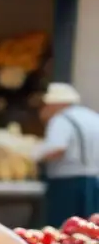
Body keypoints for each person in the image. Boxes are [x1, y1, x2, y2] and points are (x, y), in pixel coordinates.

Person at [35, 82, 99, 227]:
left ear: (55, 104)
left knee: (63, 229)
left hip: (67, 184)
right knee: (90, 229)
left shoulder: (61, 119)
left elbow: (57, 148)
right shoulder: (93, 117)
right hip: (94, 182)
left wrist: (35, 157)